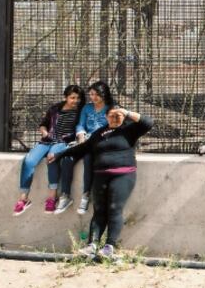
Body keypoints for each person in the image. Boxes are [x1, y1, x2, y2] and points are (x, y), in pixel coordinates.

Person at [48, 107, 153, 260]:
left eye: (118, 115)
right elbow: (82, 148)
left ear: (123, 116)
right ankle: (92, 245)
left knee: (114, 208)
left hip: (123, 175)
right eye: (111, 115)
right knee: (99, 211)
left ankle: (109, 246)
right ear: (105, 117)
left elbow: (148, 123)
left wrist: (126, 112)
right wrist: (59, 154)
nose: (115, 118)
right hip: (100, 176)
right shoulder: (99, 133)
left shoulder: (129, 130)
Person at [13, 85, 84, 216]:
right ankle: (24, 199)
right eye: (72, 98)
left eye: (78, 98)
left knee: (52, 158)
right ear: (66, 97)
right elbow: (43, 124)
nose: (76, 101)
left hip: (64, 142)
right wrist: (45, 132)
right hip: (47, 140)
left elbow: (81, 128)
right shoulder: (55, 109)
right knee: (29, 161)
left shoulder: (81, 111)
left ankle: (51, 198)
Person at [59, 80, 114, 215]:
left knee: (89, 159)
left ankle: (86, 195)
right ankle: (65, 195)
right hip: (84, 141)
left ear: (104, 94)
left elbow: (113, 128)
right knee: (67, 157)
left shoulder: (111, 108)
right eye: (91, 94)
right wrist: (81, 135)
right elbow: (80, 124)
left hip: (99, 143)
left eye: (96, 95)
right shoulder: (86, 108)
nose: (92, 98)